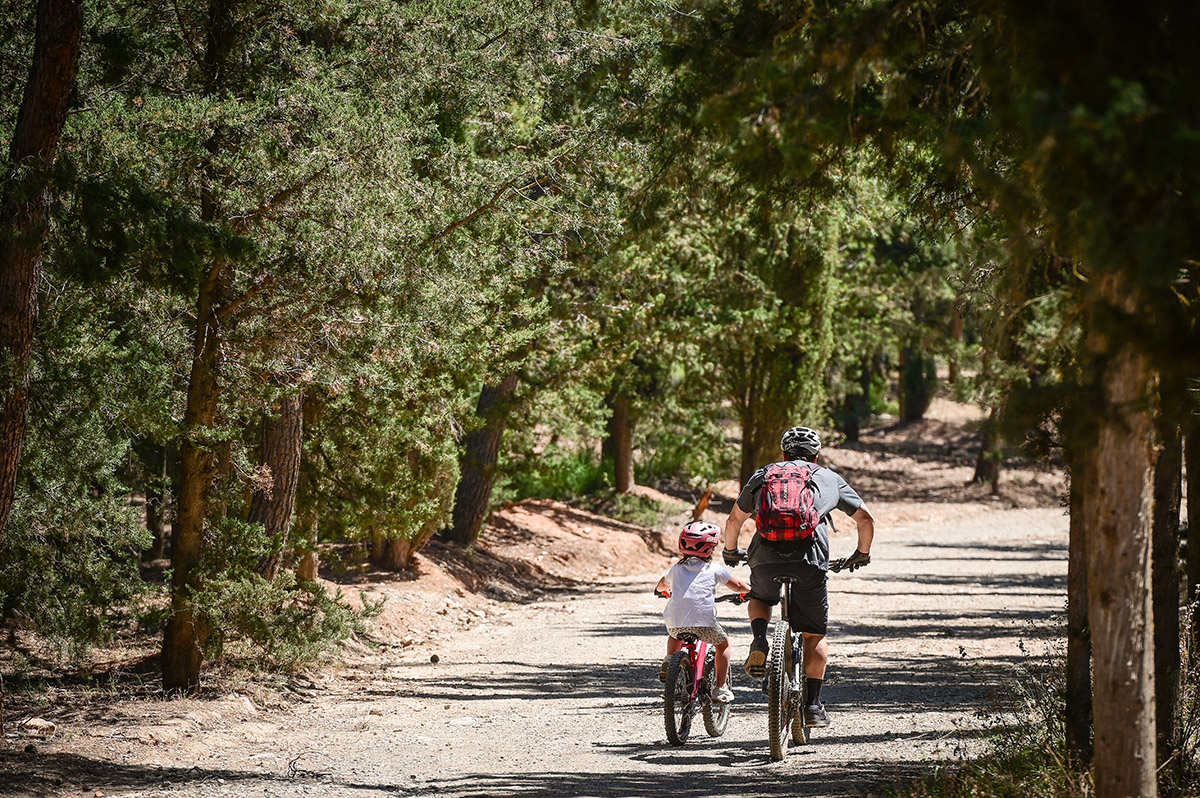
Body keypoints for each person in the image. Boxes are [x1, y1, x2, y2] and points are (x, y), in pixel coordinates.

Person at [721, 425, 875, 727]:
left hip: (765, 558)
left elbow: (734, 519)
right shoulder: (828, 477)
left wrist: (730, 551)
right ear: (816, 456)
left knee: (761, 597)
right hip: (810, 560)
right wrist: (862, 553)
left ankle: (761, 640)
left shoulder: (764, 474)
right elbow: (865, 519)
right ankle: (813, 706)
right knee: (814, 633)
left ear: (783, 453)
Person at [655, 521, 750, 704]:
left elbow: (661, 584)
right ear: (710, 548)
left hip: (675, 623)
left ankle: (670, 663)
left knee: (676, 635)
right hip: (704, 624)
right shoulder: (713, 569)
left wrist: (662, 591)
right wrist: (749, 591)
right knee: (723, 644)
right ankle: (720, 689)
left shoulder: (675, 569)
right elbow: (738, 585)